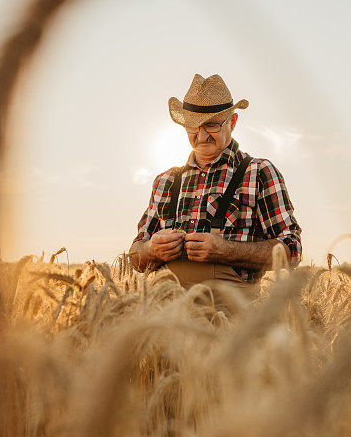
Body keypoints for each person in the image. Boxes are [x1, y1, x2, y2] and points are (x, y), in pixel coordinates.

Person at [129, 73, 302, 298]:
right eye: (192, 126)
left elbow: (292, 250)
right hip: (167, 321)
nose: (201, 135)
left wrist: (226, 250)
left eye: (210, 125)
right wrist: (151, 250)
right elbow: (135, 258)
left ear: (233, 122)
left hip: (231, 323)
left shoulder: (259, 172)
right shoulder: (165, 181)